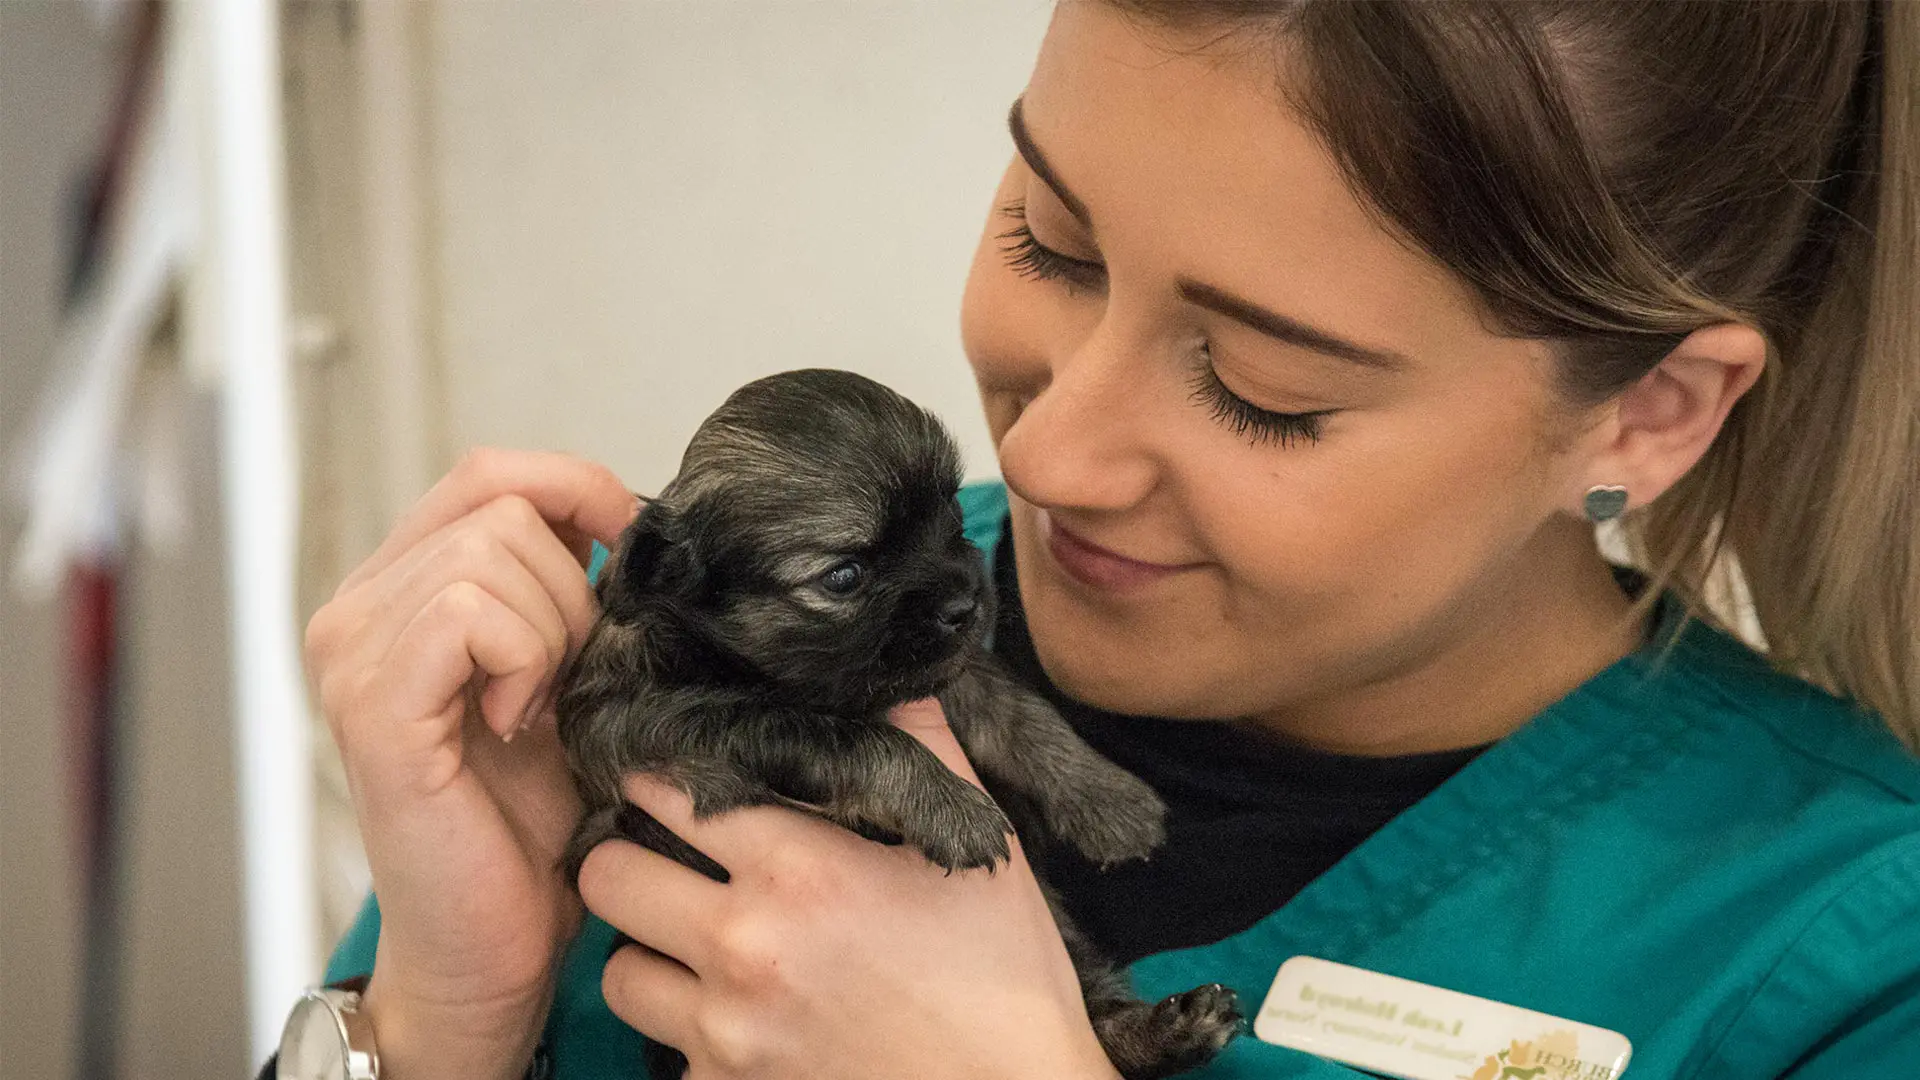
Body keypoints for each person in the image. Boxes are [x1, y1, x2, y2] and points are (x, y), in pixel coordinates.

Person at [285, 2, 1920, 1078]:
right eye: (1047, 240)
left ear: (1648, 413)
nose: (1050, 449)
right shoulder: (665, 662)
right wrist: (438, 1015)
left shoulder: (1851, 959)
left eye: (1268, 387)